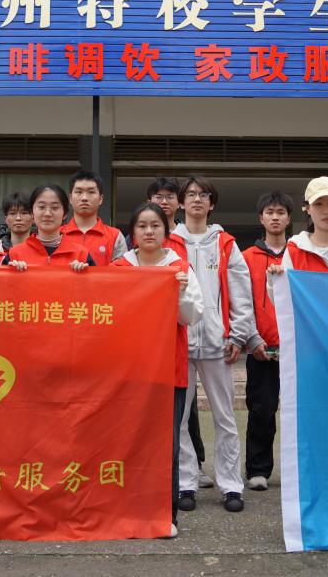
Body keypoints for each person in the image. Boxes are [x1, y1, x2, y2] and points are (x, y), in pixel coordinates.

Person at [112, 202, 203, 538]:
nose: (149, 232)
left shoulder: (179, 267)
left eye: (155, 226)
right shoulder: (119, 268)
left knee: (166, 444)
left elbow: (191, 316)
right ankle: (126, 510)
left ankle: (165, 513)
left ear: (166, 231)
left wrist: (180, 293)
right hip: (128, 370)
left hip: (169, 368)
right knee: (128, 440)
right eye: (142, 226)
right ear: (132, 232)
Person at [173, 175, 258, 514]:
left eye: (203, 194)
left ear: (212, 203)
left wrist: (238, 334)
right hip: (179, 342)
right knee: (179, 419)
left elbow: (241, 292)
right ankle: (186, 483)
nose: (197, 199)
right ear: (181, 202)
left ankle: (231, 485)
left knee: (225, 416)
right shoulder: (169, 242)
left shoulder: (225, 243)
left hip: (218, 343)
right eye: (191, 194)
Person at [147, 175, 206, 478]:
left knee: (183, 415)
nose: (149, 232)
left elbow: (192, 309)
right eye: (158, 196)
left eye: (170, 196)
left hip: (179, 347)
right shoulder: (126, 260)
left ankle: (189, 473)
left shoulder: (180, 250)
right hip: (140, 355)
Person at [241, 191, 291, 492]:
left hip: (296, 347)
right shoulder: (247, 257)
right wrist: (252, 338)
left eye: (280, 212)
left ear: (289, 218)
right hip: (261, 346)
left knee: (299, 411)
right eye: (270, 212)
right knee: (261, 409)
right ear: (261, 218)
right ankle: (258, 469)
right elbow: (241, 301)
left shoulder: (299, 254)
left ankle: (298, 471)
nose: (275, 217)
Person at [5, 185, 94, 271]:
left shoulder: (81, 255)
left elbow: (96, 281)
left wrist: (83, 275)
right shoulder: (15, 255)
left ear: (65, 214)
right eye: (41, 207)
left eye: (54, 208)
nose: (47, 213)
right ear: (32, 212)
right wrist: (13, 274)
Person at [61, 170, 127, 265]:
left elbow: (121, 271)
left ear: (101, 199)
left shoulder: (115, 236)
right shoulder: (58, 234)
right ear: (70, 198)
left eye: (91, 192)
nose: (84, 198)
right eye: (79, 192)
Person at [147, 176, 190, 260]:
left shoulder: (188, 234)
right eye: (158, 197)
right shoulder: (137, 235)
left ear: (179, 203)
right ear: (149, 203)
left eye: (170, 197)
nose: (164, 202)